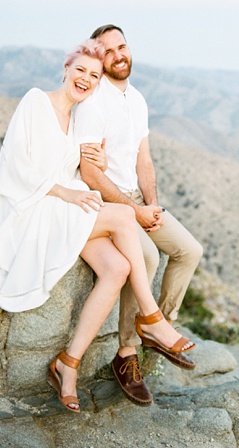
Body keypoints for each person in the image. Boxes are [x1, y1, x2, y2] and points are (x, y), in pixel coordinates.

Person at [0, 40, 194, 413]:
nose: (85, 79)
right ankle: (152, 319)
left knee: (118, 268)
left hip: (61, 208)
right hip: (30, 209)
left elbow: (81, 166)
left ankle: (69, 363)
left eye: (93, 76)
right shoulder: (36, 102)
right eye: (80, 70)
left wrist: (93, 166)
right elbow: (15, 164)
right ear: (65, 69)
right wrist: (66, 191)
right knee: (126, 215)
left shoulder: (78, 118)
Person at [74, 25, 204, 406]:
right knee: (145, 257)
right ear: (99, 59)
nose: (119, 54)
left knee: (189, 251)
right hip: (109, 203)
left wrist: (153, 205)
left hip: (138, 200)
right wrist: (135, 212)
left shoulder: (138, 99)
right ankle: (127, 353)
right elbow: (91, 174)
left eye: (122, 46)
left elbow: (142, 159)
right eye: (108, 51)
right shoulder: (93, 102)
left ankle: (160, 327)